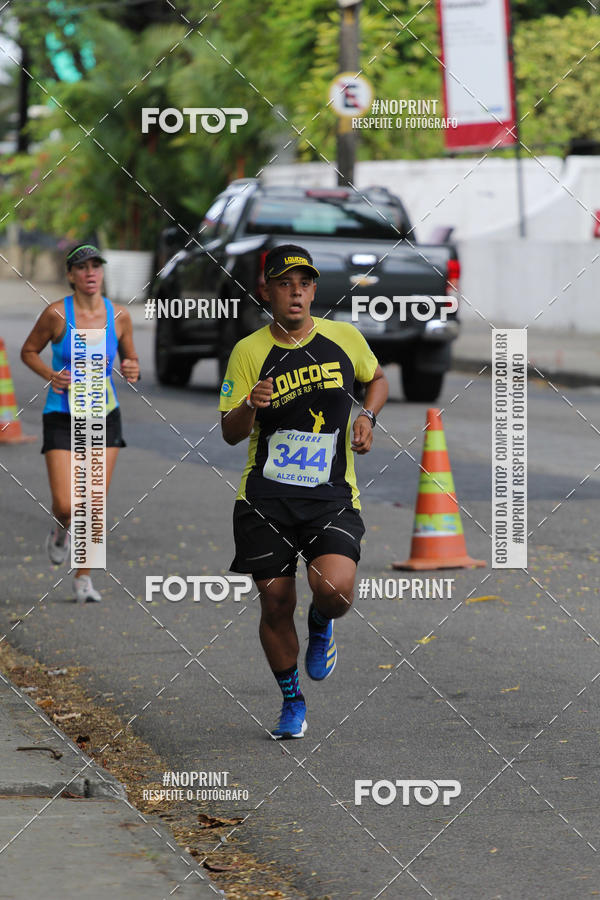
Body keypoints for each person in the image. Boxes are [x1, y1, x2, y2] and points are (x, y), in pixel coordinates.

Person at [219, 244, 388, 739]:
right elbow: (230, 432)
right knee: (274, 604)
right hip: (264, 499)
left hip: (331, 495)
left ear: (314, 290)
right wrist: (250, 404)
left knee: (335, 592)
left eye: (305, 283)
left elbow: (375, 378)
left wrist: (367, 416)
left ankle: (322, 622)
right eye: (285, 283)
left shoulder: (344, 337)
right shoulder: (249, 351)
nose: (296, 292)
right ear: (266, 290)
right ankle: (292, 701)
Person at [21, 243, 139, 602]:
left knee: (93, 502)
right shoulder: (56, 314)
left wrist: (132, 367)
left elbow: (130, 358)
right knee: (66, 504)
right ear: (70, 275)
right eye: (82, 267)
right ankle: (60, 530)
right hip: (61, 413)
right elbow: (28, 351)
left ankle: (83, 578)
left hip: (104, 414)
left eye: (95, 266)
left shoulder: (118, 316)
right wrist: (49, 374)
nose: (90, 273)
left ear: (102, 273)